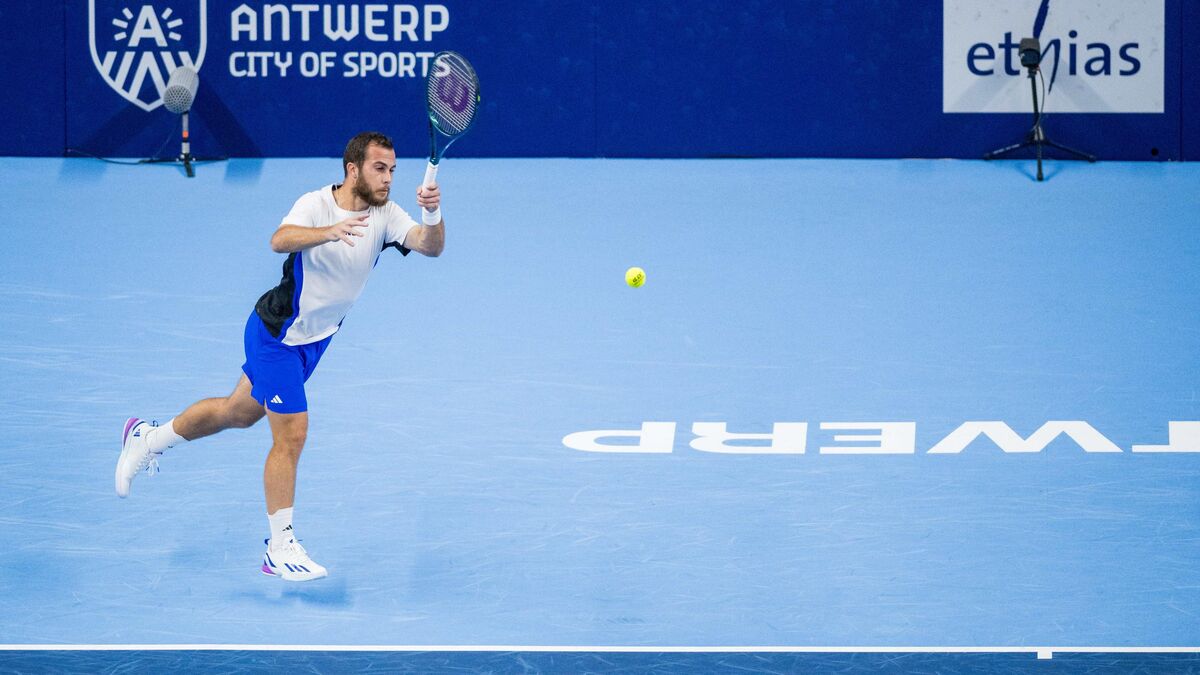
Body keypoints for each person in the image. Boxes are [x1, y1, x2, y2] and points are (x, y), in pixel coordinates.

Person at [115, 131, 444, 582]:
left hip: (315, 341)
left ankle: (147, 439)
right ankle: (280, 547)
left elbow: (431, 245)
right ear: (353, 169)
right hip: (275, 335)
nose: (388, 179)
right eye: (379, 169)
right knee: (292, 434)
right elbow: (279, 239)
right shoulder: (316, 204)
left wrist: (432, 211)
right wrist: (327, 232)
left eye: (392, 171)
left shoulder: (386, 215)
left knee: (238, 413)